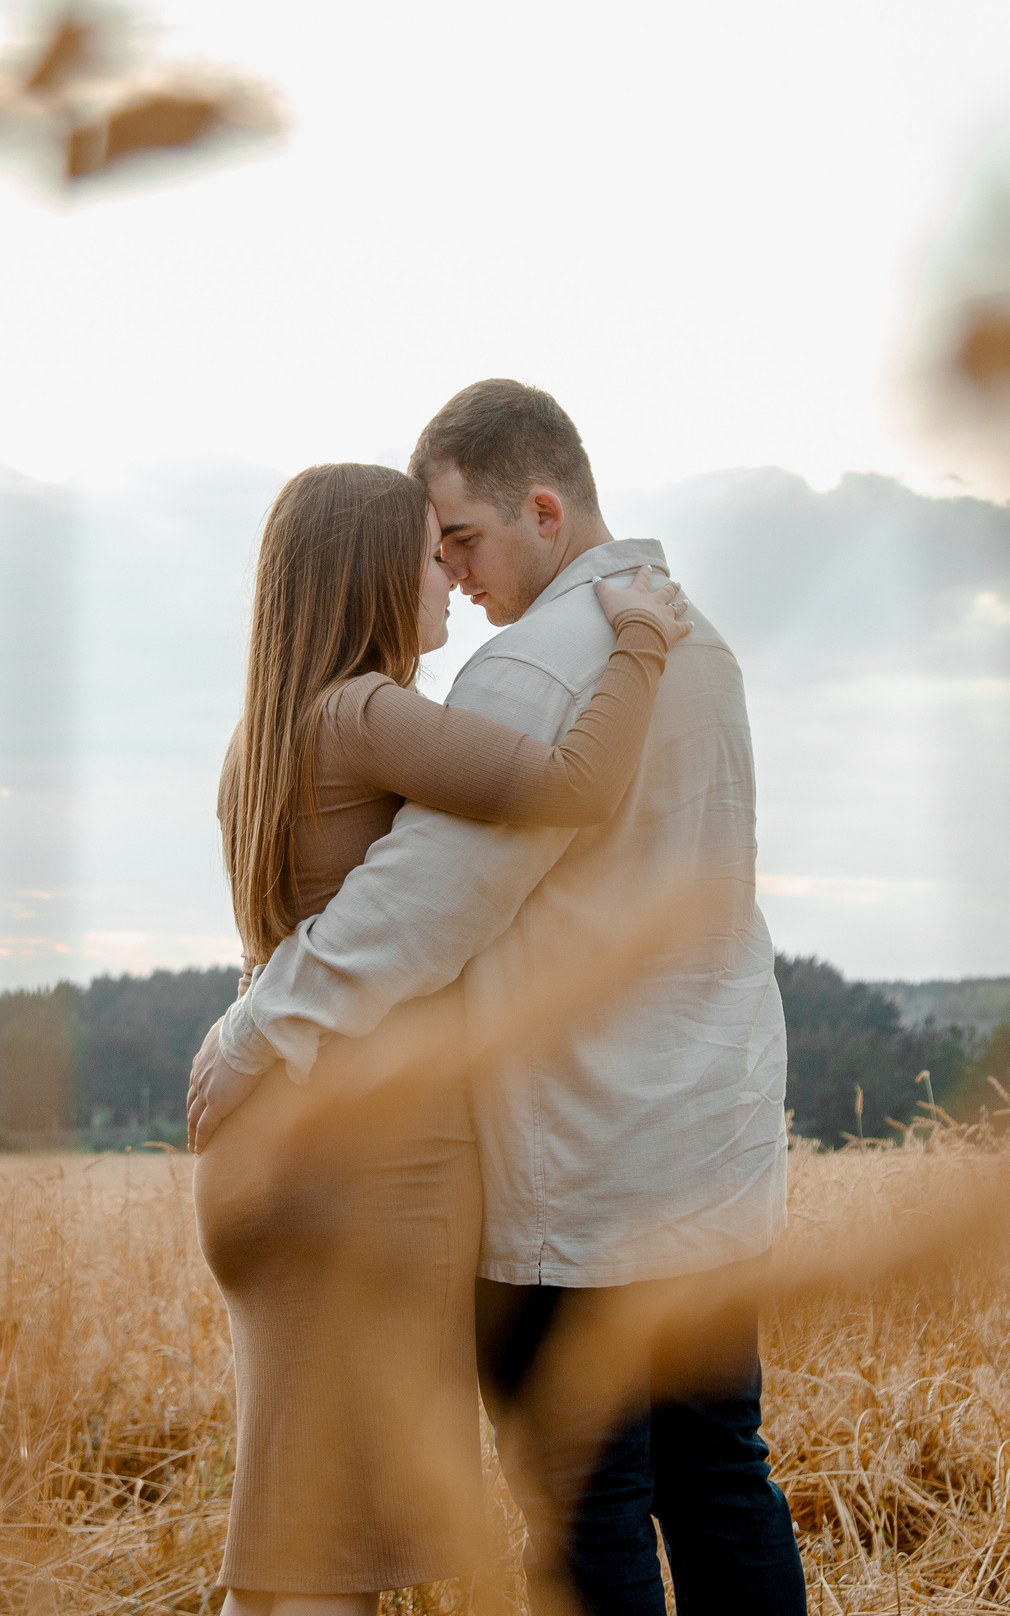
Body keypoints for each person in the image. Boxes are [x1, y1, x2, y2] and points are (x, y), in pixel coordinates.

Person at [189, 382, 809, 1616]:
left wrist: (257, 1018)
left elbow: (418, 904)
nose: (456, 577)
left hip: (574, 1163)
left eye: (459, 538)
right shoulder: (706, 644)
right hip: (706, 1150)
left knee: (582, 1504)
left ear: (541, 508)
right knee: (718, 1478)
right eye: (432, 551)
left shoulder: (532, 664)